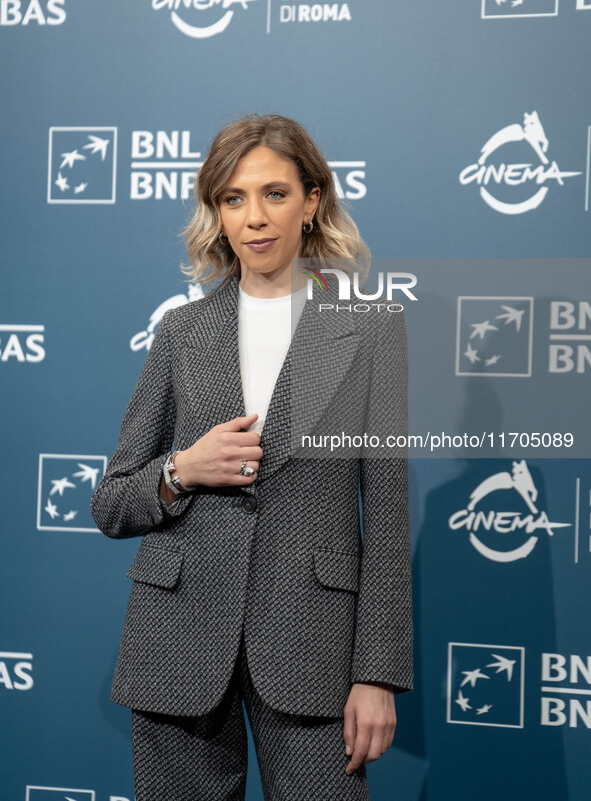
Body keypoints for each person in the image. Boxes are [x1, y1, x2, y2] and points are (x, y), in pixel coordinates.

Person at [90, 113, 412, 800]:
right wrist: (183, 469)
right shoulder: (181, 330)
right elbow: (111, 500)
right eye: (232, 198)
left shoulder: (370, 330)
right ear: (216, 212)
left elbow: (385, 516)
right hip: (177, 641)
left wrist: (376, 672)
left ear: (311, 201)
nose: (254, 217)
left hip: (312, 644)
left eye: (273, 193)